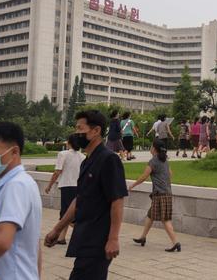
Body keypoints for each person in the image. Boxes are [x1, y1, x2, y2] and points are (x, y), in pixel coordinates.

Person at [45, 110, 128, 280]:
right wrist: (57, 229)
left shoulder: (109, 159)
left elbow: (117, 201)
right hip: (85, 235)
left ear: (96, 130)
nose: (77, 133)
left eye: (80, 128)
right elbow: (80, 199)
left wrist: (113, 239)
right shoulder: (87, 161)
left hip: (98, 240)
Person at [0, 122, 42, 280]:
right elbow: (35, 243)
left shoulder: (15, 186)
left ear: (14, 151)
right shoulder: (25, 182)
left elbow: (2, 241)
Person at [129, 138, 181, 252]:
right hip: (167, 193)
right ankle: (143, 237)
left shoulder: (153, 161)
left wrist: (133, 185)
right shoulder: (165, 160)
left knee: (165, 220)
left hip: (160, 194)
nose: (151, 148)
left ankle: (176, 243)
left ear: (154, 149)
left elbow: (144, 176)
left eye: (152, 146)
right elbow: (170, 174)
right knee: (151, 215)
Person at [44, 134, 85, 245]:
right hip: (79, 187)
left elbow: (57, 171)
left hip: (67, 185)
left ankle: (85, 234)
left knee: (68, 215)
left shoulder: (63, 154)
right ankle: (61, 238)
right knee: (67, 213)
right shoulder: (82, 156)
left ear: (69, 143)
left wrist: (49, 185)